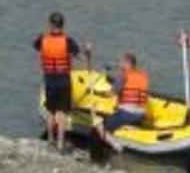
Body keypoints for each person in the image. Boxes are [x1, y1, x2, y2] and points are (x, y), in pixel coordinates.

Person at [33, 12, 88, 153]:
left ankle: (50, 139)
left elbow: (36, 46)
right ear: (63, 25)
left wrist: (44, 36)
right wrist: (88, 52)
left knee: (50, 112)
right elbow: (80, 57)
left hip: (49, 80)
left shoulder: (42, 39)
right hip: (63, 81)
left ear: (50, 24)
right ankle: (60, 144)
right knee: (62, 114)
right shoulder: (68, 41)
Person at [95, 52, 149, 153]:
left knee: (100, 126)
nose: (120, 64)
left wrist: (98, 94)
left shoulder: (122, 76)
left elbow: (112, 93)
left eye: (121, 62)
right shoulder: (142, 75)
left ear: (127, 63)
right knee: (118, 114)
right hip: (141, 113)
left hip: (128, 113)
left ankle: (117, 146)